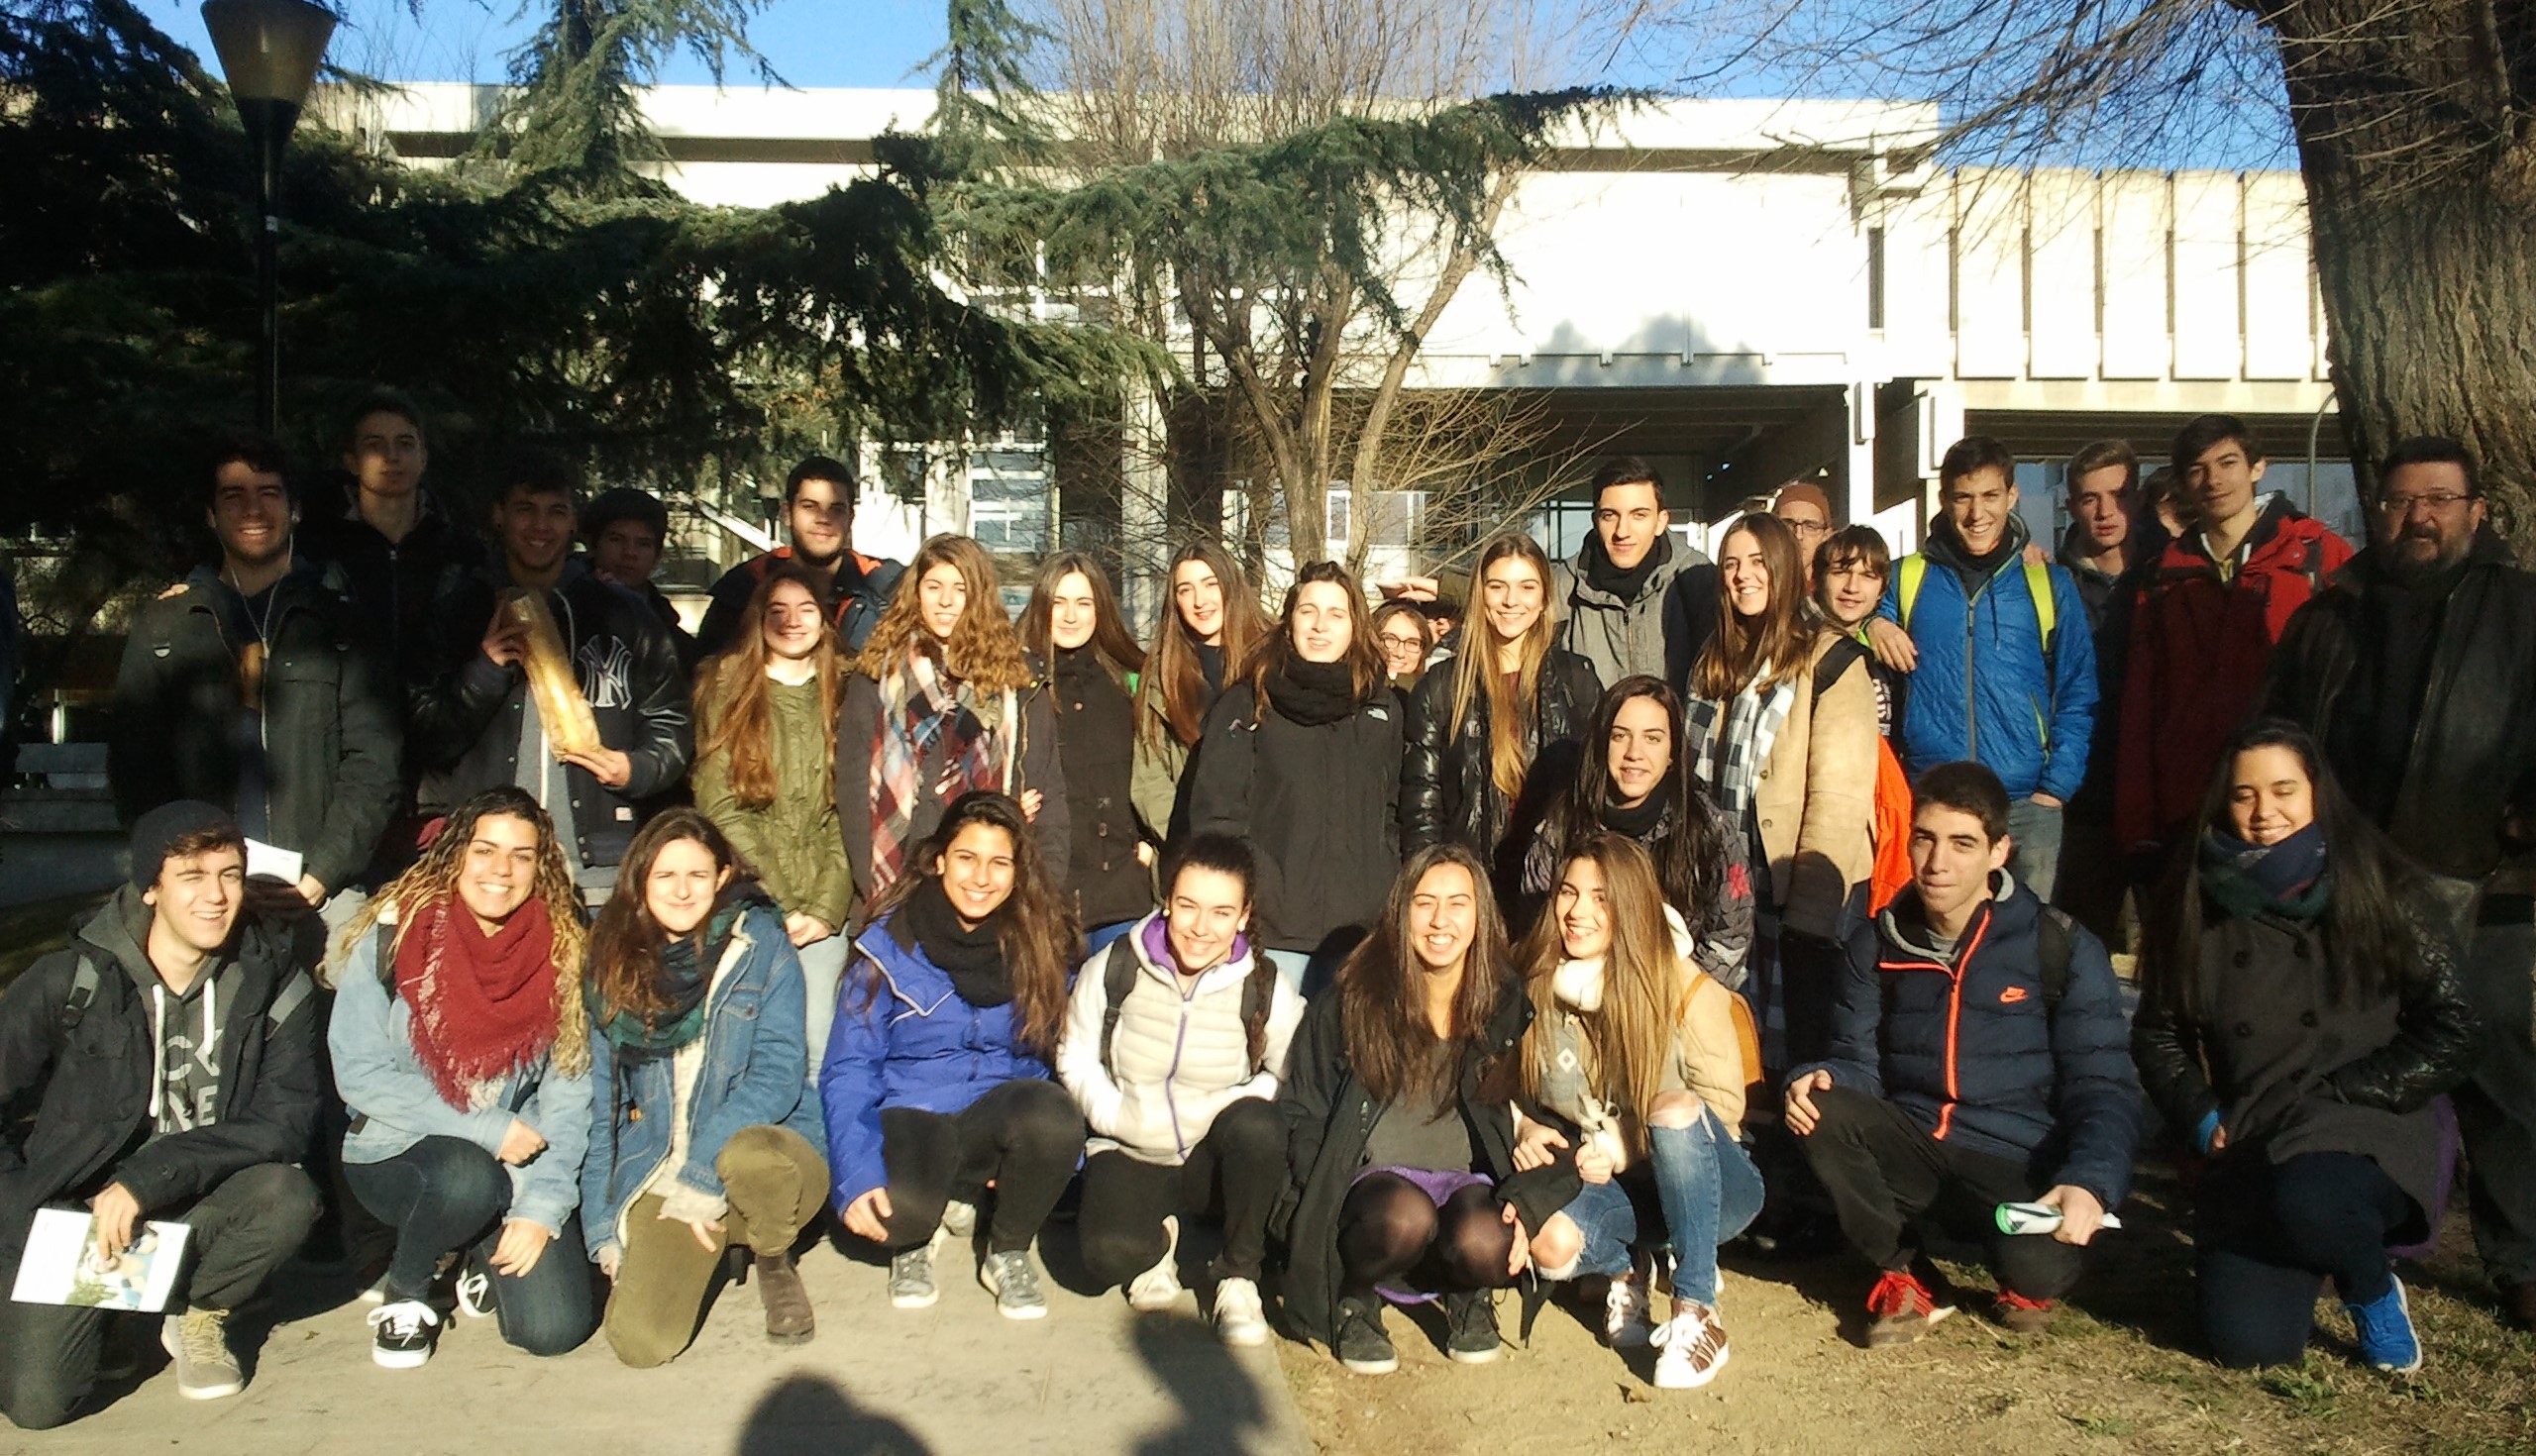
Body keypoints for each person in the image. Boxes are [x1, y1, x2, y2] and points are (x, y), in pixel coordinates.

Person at [2263, 436, 2536, 1328]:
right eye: (2400, 501)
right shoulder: (2331, 615)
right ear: (2376, 511)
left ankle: (2523, 1258)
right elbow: (2277, 733)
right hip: (2352, 879)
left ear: (2476, 513)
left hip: (2484, 879)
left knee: (2496, 1069)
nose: (2419, 517)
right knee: (2346, 1058)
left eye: (2439, 500)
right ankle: (2342, 1230)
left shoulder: (2521, 610)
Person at [2133, 723, 2477, 1371]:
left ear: (2318, 792)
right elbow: (2157, 1033)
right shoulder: (2193, 897)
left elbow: (2456, 1023)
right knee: (2249, 1345)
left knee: (2311, 1199)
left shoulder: (2383, 885)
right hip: (2254, 1125)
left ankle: (2370, 1286)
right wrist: (2202, 1116)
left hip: (2366, 1118)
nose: (2264, 812)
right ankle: (2314, 1244)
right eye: (2244, 795)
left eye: (2284, 790)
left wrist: (2359, 1087)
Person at [1784, 762, 2140, 1345]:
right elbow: (1856, 1062)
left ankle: (2024, 1276)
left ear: (2000, 851)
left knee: (2035, 1269)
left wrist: (2090, 1181)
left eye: (1962, 843)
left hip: (2018, 1161)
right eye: (1924, 839)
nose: (1937, 862)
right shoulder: (1876, 941)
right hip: (1918, 1146)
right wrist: (1818, 1076)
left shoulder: (2059, 944)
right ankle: (1907, 1274)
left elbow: (2103, 1084)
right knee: (1819, 1107)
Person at [0, 804, 322, 1425]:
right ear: (151, 888)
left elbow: (285, 1119)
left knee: (286, 1194)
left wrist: (147, 1179)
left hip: (198, 1196)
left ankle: (199, 1309)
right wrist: (20, 1212)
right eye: (192, 876)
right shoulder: (72, 979)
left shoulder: (275, 982)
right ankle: (119, 1320)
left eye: (230, 875)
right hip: (79, 1216)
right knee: (39, 1405)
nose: (215, 896)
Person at [328, 786, 598, 1369]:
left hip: (514, 1162)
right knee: (465, 1176)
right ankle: (407, 1290)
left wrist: (542, 1206)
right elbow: (359, 1072)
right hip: (396, 1149)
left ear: (540, 867)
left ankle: (473, 1248)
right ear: (457, 855)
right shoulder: (394, 935)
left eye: (521, 856)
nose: (501, 870)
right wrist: (487, 1126)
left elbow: (569, 1096)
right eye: (485, 850)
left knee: (554, 1328)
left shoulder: (563, 952)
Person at [1274, 846, 1570, 1375]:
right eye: (1424, 902)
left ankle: (1467, 1292)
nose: (1440, 921)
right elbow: (1303, 1107)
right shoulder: (1353, 998)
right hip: (1373, 1183)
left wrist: (1527, 1134)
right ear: (1400, 911)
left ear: (1480, 916)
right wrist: (1314, 1196)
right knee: (1403, 1219)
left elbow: (1540, 1104)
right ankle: (1355, 1297)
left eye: (1458, 904)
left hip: (1464, 1180)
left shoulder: (1504, 1002)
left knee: (1487, 1239)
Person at [110, 432, 402, 934]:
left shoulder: (342, 623)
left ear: (295, 510)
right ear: (210, 514)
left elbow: (375, 762)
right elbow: (135, 769)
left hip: (319, 894)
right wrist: (181, 871)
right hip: (198, 898)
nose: (252, 509)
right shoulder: (166, 627)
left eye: (268, 493)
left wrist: (324, 871)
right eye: (233, 495)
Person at [1511, 835, 1764, 1389]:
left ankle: (1697, 1309)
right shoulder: (1535, 983)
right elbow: (1503, 1079)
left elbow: (1720, 1114)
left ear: (1630, 905)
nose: (1577, 912)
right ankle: (1629, 1266)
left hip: (1712, 1185)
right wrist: (1525, 1124)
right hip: (1616, 1187)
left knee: (1672, 1108)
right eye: (1568, 892)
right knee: (1550, 1246)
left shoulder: (1684, 987)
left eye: (1600, 898)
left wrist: (1623, 1146)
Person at [821, 792, 1085, 1320]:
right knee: (900, 1214)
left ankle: (1006, 1248)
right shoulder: (889, 945)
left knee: (1052, 1118)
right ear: (939, 860)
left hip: (993, 1112)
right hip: (911, 1113)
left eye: (999, 862)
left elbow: (1059, 1058)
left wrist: (1053, 1159)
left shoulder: (1040, 943)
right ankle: (921, 1233)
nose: (981, 877)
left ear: (1017, 872)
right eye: (967, 858)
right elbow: (850, 1068)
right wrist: (856, 1174)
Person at [581, 810, 828, 1366]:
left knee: (748, 1156)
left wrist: (702, 1172)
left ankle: (773, 1255)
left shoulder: (760, 942)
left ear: (722, 877)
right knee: (641, 1343)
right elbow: (604, 1108)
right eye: (666, 876)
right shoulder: (610, 962)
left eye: (697, 875)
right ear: (641, 881)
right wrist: (602, 1226)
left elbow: (778, 1073)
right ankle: (713, 1247)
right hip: (664, 1167)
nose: (682, 890)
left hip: (769, 1155)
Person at [1054, 833, 1304, 1345]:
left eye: (1221, 912)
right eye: (1188, 906)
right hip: (1131, 1145)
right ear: (1167, 900)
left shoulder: (1263, 984)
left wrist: (1233, 1103)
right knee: (1105, 1258)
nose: (1200, 928)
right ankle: (1158, 1245)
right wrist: (1112, 1113)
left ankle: (1238, 1276)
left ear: (1243, 916)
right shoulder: (1115, 966)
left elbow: (1288, 1073)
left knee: (1259, 1126)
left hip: (1211, 1158)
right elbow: (1075, 1054)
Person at [410, 451, 692, 902]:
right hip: (489, 868)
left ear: (573, 522)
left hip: (597, 865)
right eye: (526, 509)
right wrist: (484, 671)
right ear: (500, 515)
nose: (540, 526)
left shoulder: (624, 615)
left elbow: (671, 720)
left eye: (556, 512)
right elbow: (428, 736)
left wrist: (637, 768)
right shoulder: (460, 611)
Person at [1863, 437, 2098, 898]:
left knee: (2023, 934)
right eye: (1963, 497)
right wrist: (1873, 625)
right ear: (1944, 499)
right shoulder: (1907, 577)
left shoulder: (2048, 583)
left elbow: (2079, 689)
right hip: (1933, 798)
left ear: (2012, 495)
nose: (1977, 513)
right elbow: (1839, 618)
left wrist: (2056, 787)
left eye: (1990, 495)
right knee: (1937, 930)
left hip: (2025, 804)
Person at [1685, 513, 1878, 1068]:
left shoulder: (1831, 659)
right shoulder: (1714, 659)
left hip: (1793, 891)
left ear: (1785, 567)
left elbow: (1838, 802)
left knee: (1799, 1046)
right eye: (1731, 564)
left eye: (1757, 562)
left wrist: (1811, 919)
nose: (1743, 576)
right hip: (1725, 888)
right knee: (1729, 1043)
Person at [2118, 415, 2353, 865]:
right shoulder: (2162, 576)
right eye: (2197, 470)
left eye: (2227, 463)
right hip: (2190, 798)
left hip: (2293, 803)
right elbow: (2142, 705)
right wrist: (2138, 825)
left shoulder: (2317, 555)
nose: (2214, 480)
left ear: (2258, 467)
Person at [1186, 560, 1403, 994]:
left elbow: (1394, 811)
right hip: (1275, 933)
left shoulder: (1382, 709)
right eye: (1308, 611)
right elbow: (1217, 814)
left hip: (1362, 935)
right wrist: (1250, 892)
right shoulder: (1248, 703)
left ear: (1355, 627)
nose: (1320, 625)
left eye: (1336, 614)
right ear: (1289, 622)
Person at [838, 534, 1070, 905]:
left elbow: (1049, 796)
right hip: (898, 879)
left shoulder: (1017, 682)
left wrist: (1042, 897)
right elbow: (852, 791)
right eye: (934, 586)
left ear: (978, 597)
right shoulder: (877, 674)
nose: (945, 601)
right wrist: (876, 895)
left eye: (959, 589)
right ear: (916, 592)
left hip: (990, 886)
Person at [691, 567, 855, 1071]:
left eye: (806, 610)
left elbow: (851, 806)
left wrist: (824, 908)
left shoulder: (848, 688)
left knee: (819, 1043)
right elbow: (721, 806)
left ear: (824, 620)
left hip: (827, 910)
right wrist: (782, 902)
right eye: (777, 611)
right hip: (753, 899)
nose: (792, 622)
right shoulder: (726, 687)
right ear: (758, 620)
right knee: (749, 1045)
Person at [1523, 676, 1753, 986]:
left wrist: (1681, 996)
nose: (1634, 752)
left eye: (1652, 738)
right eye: (1620, 736)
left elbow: (1731, 937)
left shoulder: (1707, 828)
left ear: (1672, 752)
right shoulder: (1562, 824)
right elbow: (1536, 925)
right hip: (1576, 994)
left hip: (1675, 995)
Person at [1401, 533, 1601, 883]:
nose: (1511, 600)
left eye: (1527, 587)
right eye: (1497, 586)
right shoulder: (1442, 685)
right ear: (1480, 594)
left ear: (1544, 597)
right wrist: (1431, 881)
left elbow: (1596, 788)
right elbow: (1422, 803)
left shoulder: (1577, 679)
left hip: (1555, 882)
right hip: (1469, 883)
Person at [295, 389, 484, 692]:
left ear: (423, 457)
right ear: (351, 461)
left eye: (405, 444)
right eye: (375, 445)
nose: (391, 456)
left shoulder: (462, 554)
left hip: (445, 713)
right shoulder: (317, 551)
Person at [1018, 552, 1153, 956]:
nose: (1070, 616)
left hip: (1121, 890)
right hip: (1044, 890)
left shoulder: (1131, 682)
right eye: (1058, 602)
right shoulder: (1016, 684)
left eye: (1083, 603)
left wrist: (1150, 844)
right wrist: (1008, 801)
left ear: (1101, 609)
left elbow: (1160, 768)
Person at [2054, 440, 2145, 943]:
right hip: (2083, 799)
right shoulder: (2050, 583)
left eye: (2119, 495)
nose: (2106, 511)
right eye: (2091, 498)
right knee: (2079, 950)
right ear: (2072, 506)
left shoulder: (2171, 574)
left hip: (2157, 794)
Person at [1130, 538, 1270, 842]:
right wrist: (1190, 844)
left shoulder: (1271, 660)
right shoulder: (1161, 673)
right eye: (1185, 590)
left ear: (1230, 586)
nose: (1199, 601)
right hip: (1190, 847)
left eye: (1210, 584)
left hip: (1266, 842)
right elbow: (1149, 777)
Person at [696, 455, 904, 657]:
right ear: (787, 514)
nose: (823, 519)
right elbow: (708, 671)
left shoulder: (887, 588)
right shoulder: (744, 590)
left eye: (836, 510)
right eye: (809, 507)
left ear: (850, 518)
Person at [1549, 456, 1718, 693]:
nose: (1622, 531)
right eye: (1610, 515)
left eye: (1639, 515)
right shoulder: (1564, 587)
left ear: (1661, 521)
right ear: (1595, 521)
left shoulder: (1697, 579)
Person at [582, 486, 698, 676]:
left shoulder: (676, 645)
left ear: (657, 556)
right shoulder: (565, 613)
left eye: (643, 544)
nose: (629, 553)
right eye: (616, 540)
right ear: (592, 545)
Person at [1812, 525, 1902, 739]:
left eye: (1868, 576)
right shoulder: (1800, 649)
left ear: (1882, 589)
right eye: (1840, 573)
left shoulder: (1885, 652)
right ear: (1820, 579)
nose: (1852, 587)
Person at [1771, 480, 1835, 589]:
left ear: (1826, 536)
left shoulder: (1834, 593)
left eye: (1810, 526)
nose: (1798, 535)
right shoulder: (1757, 589)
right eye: (1788, 524)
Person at [1372, 598, 1434, 696]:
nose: (1400, 653)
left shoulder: (1435, 695)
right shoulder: (1350, 691)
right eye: (1390, 639)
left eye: (1412, 643)